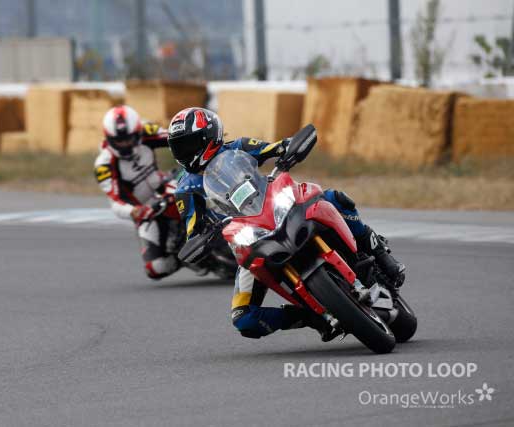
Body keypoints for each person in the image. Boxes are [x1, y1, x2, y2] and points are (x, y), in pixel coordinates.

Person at [167, 107, 405, 340]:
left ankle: (380, 253)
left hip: (276, 207)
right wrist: (201, 239)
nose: (185, 152)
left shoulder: (239, 147)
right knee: (244, 319)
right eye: (179, 147)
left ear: (210, 136)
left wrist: (288, 149)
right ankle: (310, 317)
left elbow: (274, 148)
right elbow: (193, 229)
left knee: (334, 198)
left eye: (189, 144)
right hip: (247, 239)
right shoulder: (185, 190)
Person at [94, 105, 181, 280]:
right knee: (155, 268)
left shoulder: (146, 130)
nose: (125, 144)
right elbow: (116, 201)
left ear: (137, 132)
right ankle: (186, 258)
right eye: (119, 141)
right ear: (109, 138)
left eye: (129, 139)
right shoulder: (104, 165)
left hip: (165, 185)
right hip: (147, 210)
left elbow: (178, 137)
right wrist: (135, 211)